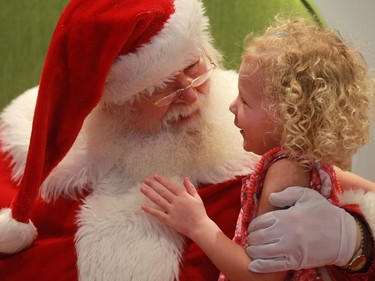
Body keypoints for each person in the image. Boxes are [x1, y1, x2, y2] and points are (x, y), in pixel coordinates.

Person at [0, 0, 374, 280]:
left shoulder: (267, 130)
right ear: (115, 103)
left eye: (194, 68)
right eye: (163, 89)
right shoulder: (31, 153)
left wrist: (355, 240)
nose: (193, 96)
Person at [140, 17, 375, 280]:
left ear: (289, 116)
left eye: (245, 101)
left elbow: (262, 277)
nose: (232, 106)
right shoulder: (309, 163)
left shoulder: (284, 171)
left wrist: (198, 225)